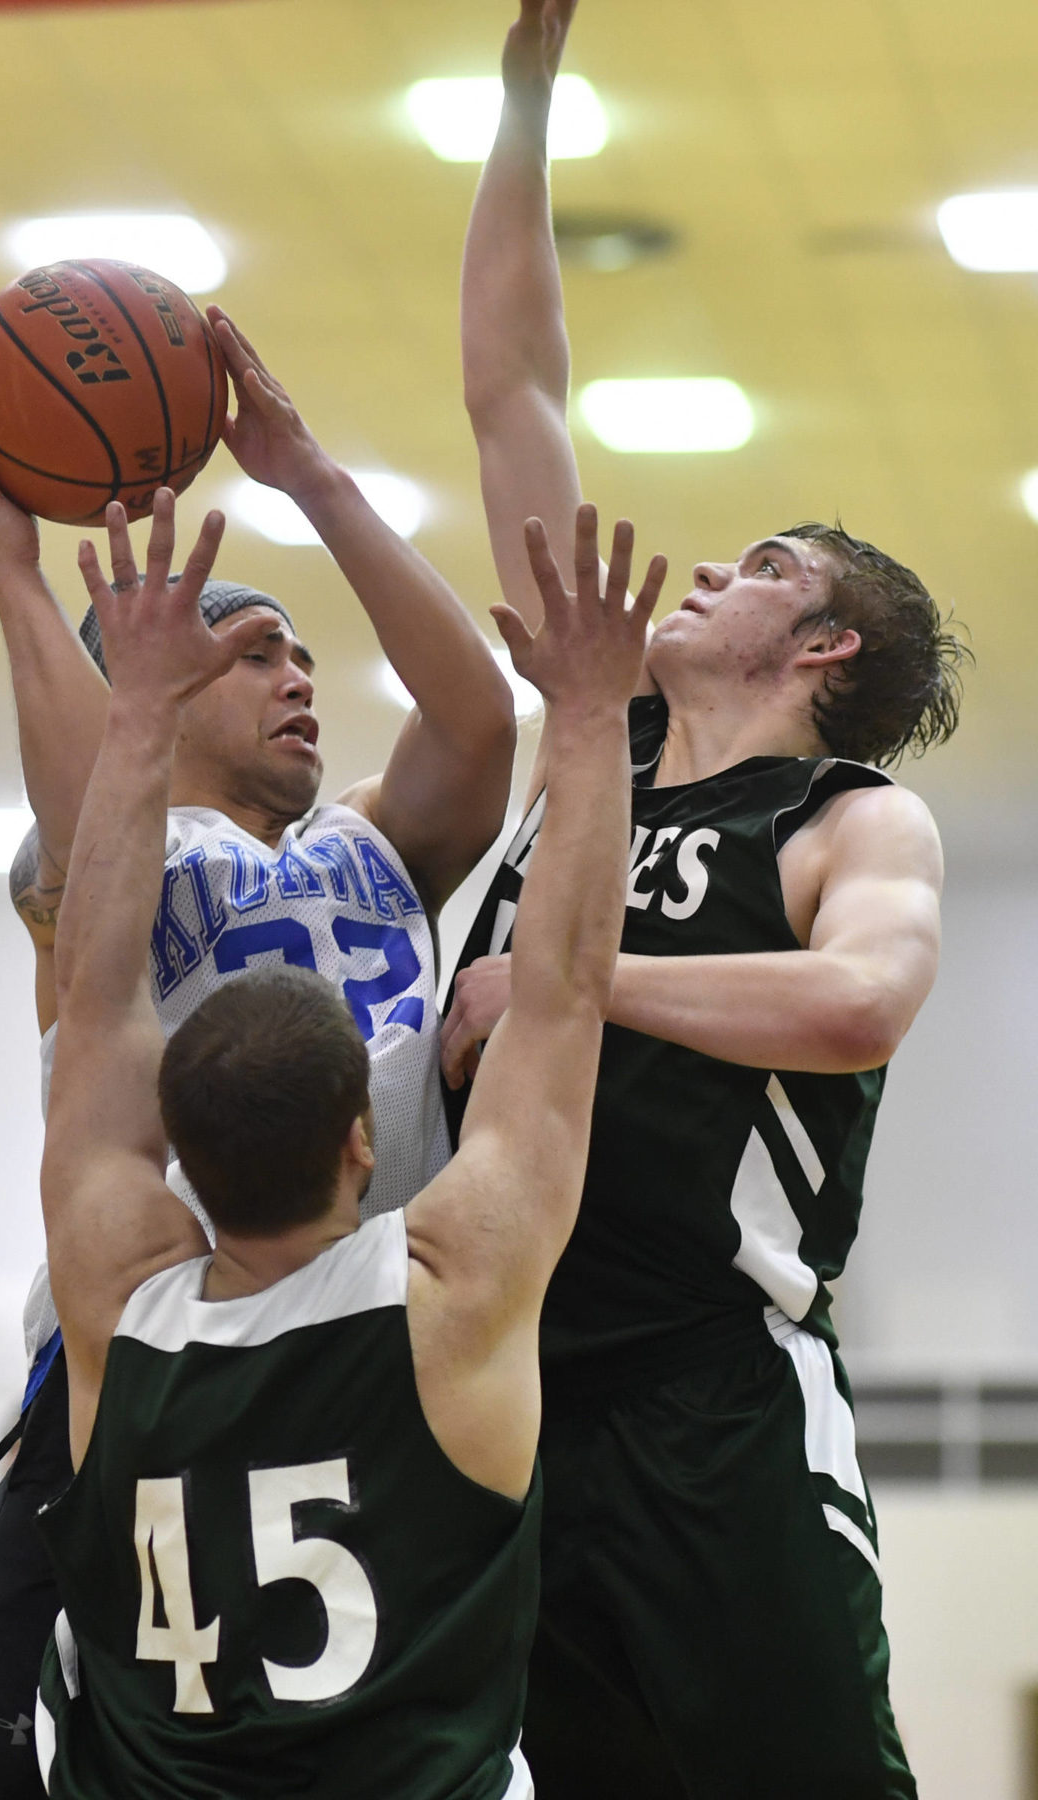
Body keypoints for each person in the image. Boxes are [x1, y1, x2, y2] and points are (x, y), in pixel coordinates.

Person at [0, 316, 518, 1800]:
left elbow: (481, 720)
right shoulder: (104, 861)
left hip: (366, 1336)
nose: (300, 677)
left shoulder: (371, 842)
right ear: (152, 693)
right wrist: (9, 562)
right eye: (254, 655)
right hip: (148, 1355)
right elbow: (84, 781)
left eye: (304, 656)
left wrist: (308, 476)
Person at [442, 5, 967, 1797]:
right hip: (501, 1374)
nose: (716, 557)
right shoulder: (591, 739)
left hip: (710, 1395)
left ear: (823, 646)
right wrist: (521, 103)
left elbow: (858, 1011)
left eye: (767, 566)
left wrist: (565, 984)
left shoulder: (851, 815)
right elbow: (513, 386)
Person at [33, 486, 660, 1796]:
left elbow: (95, 1013)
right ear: (365, 1144)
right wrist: (596, 721)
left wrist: (133, 716)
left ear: (173, 1163)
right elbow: (565, 990)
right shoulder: (456, 1304)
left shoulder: (115, 1312)